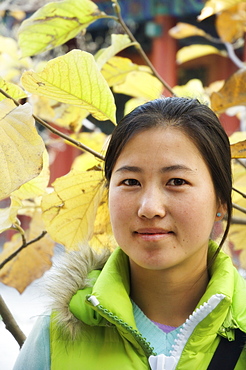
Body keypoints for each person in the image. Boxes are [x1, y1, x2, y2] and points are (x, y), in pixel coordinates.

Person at [14, 97, 246, 370]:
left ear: (220, 201)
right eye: (130, 182)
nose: (150, 208)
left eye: (177, 182)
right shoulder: (56, 335)